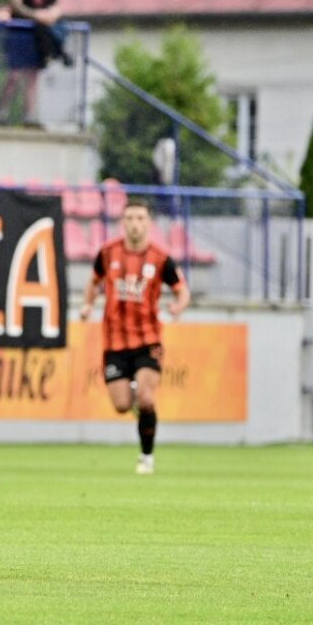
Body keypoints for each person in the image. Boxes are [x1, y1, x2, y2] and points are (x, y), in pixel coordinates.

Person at [78, 200, 192, 474]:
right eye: (129, 218)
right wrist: (88, 304)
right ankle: (133, 395)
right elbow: (94, 282)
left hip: (148, 340)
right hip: (115, 342)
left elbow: (182, 289)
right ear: (123, 222)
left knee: (147, 397)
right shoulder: (107, 253)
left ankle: (146, 457)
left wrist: (178, 306)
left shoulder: (161, 258)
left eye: (140, 218)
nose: (135, 223)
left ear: (149, 223)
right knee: (121, 406)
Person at [5, 0, 70, 124]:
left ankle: (29, 116)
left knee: (32, 77)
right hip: (20, 35)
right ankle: (2, 111)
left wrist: (50, 16)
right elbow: (16, 4)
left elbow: (57, 6)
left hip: (39, 37)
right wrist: (35, 15)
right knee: (15, 75)